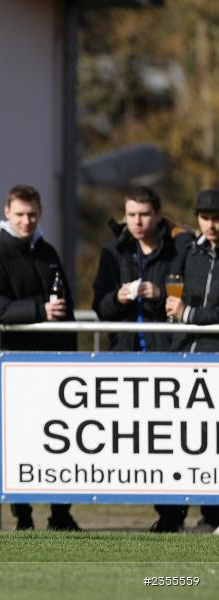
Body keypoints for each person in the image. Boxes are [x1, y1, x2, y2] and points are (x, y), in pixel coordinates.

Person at [0, 184, 80, 531]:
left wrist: (71, 353)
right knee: (20, 442)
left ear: (41, 214)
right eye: (20, 214)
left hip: (54, 365)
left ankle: (61, 514)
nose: (26, 221)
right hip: (16, 366)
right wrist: (40, 310)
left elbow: (66, 308)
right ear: (7, 212)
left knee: (62, 441)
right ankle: (23, 516)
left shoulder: (48, 252)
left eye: (32, 214)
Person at [92, 187, 193, 533]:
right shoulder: (113, 252)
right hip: (125, 355)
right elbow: (99, 308)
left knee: (170, 439)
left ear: (159, 215)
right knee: (134, 439)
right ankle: (166, 510)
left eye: (144, 214)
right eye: (131, 215)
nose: (137, 222)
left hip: (167, 353)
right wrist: (118, 297)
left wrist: (160, 293)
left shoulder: (180, 248)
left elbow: (189, 295)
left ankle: (172, 514)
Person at [166, 188, 219, 534]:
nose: (211, 224)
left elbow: (189, 309)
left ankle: (214, 514)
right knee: (185, 441)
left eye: (216, 217)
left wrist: (188, 313)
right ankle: (176, 514)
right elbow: (172, 292)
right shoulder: (188, 252)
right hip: (187, 358)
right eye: (205, 217)